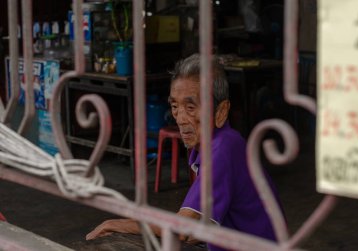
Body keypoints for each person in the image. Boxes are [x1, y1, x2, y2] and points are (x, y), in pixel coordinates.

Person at [86, 54, 283, 250]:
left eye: (190, 107)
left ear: (221, 111)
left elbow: (183, 229)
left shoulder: (224, 148)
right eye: (174, 106)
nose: (180, 119)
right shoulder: (211, 145)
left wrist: (119, 224)